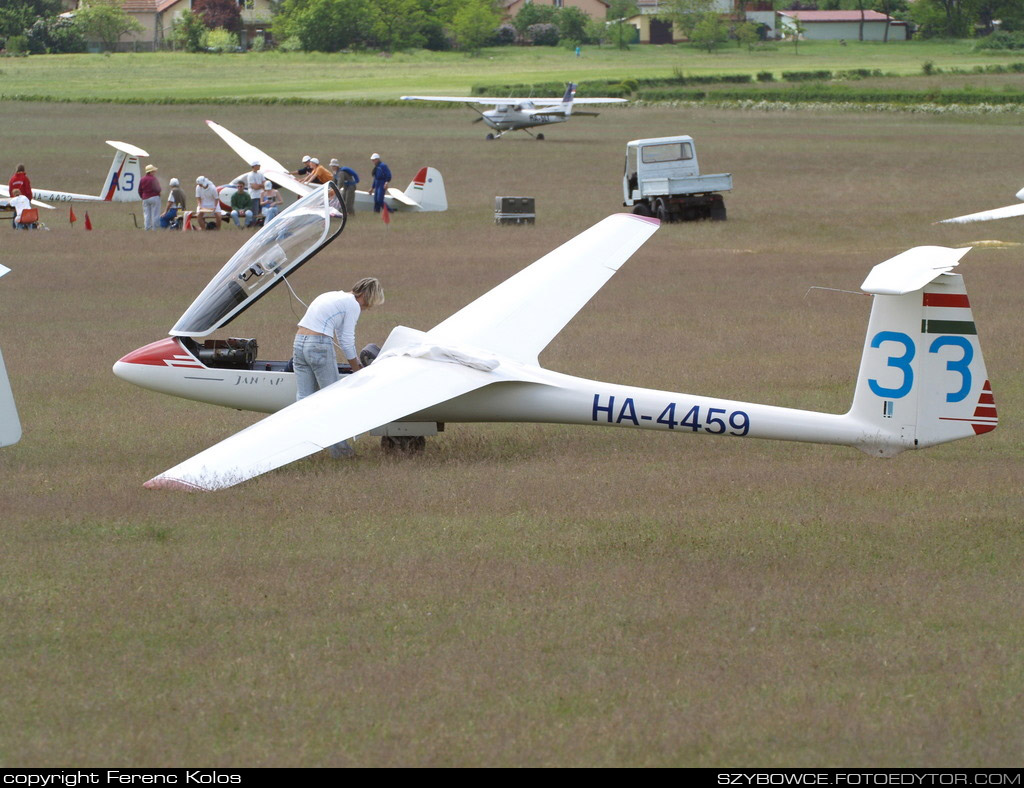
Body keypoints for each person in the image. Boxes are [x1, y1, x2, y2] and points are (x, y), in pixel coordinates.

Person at [292, 277, 384, 458]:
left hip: (298, 343)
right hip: (318, 344)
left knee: (303, 400)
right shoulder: (353, 305)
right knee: (332, 400)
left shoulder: (333, 296)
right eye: (369, 303)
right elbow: (347, 341)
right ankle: (341, 452)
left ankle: (299, 448)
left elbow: (341, 335)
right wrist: (358, 370)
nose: (367, 308)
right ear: (365, 295)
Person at [139, 164, 162, 230]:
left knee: (146, 214)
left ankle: (147, 228)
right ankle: (155, 229)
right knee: (155, 214)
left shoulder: (142, 179)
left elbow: (139, 190)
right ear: (151, 172)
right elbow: (158, 189)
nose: (154, 172)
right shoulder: (153, 179)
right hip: (154, 197)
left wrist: (143, 197)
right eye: (153, 171)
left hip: (145, 198)